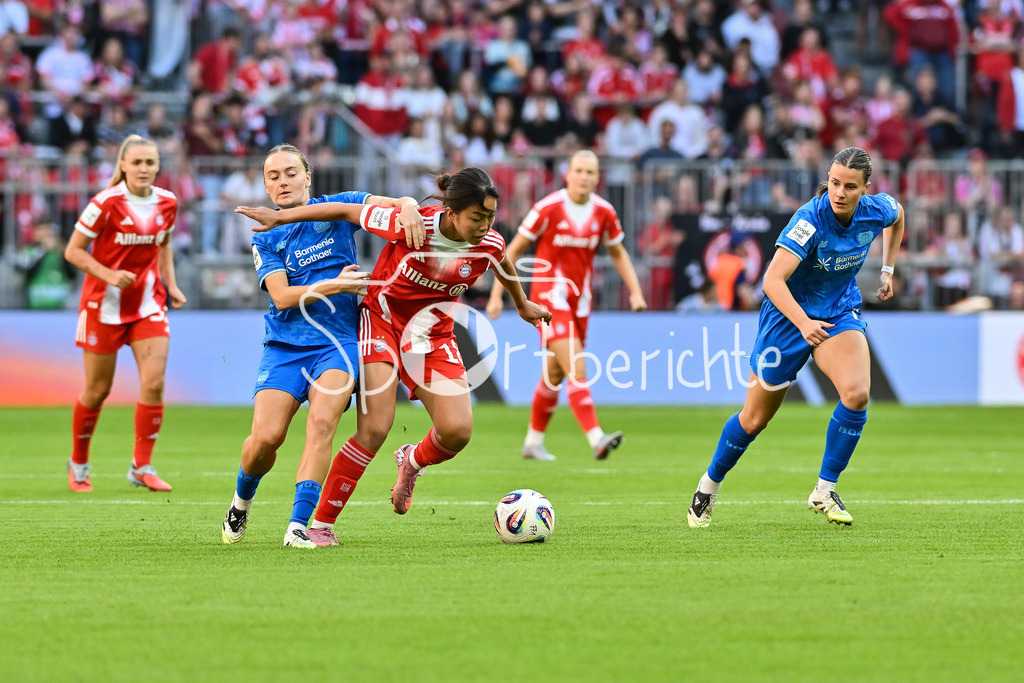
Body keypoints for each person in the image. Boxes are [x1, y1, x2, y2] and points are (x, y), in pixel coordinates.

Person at [236, 167, 550, 543]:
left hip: (431, 334)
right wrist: (281, 217)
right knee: (375, 428)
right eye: (476, 216)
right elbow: (344, 210)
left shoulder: (490, 243)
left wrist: (523, 304)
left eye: (490, 216)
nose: (484, 225)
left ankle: (411, 462)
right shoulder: (411, 225)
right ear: (452, 213)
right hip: (381, 321)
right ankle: (321, 525)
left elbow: (503, 264)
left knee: (457, 432)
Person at [220, 144, 426, 549]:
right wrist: (335, 285)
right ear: (265, 185)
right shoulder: (266, 233)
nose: (283, 181)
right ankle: (241, 502)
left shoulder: (339, 206)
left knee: (322, 423)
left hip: (338, 343)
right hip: (285, 345)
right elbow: (281, 297)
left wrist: (409, 205)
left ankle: (299, 525)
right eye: (273, 176)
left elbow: (391, 203)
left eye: (291, 173)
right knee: (265, 440)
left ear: (308, 178)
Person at [686, 147, 905, 528]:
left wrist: (887, 269)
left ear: (865, 188)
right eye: (834, 183)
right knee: (754, 420)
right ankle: (708, 486)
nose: (839, 192)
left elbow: (899, 216)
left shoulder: (877, 209)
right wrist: (803, 323)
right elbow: (772, 280)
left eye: (849, 186)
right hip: (787, 319)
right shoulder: (808, 220)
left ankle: (824, 490)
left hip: (838, 312)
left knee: (856, 394)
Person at [486, 150, 648, 462]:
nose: (584, 177)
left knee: (555, 373)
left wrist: (635, 292)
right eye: (579, 171)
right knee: (576, 365)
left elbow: (618, 252)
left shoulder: (604, 212)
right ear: (568, 174)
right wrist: (496, 295)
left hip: (580, 302)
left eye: (590, 172)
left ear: (597, 178)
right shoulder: (548, 208)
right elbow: (511, 251)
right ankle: (597, 438)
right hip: (548, 299)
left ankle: (533, 443)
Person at [63, 135, 187, 493]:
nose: (143, 169)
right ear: (123, 166)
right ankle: (79, 464)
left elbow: (164, 245)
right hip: (103, 307)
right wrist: (109, 275)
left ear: (158, 166)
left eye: (150, 163)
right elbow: (73, 251)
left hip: (148, 304)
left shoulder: (168, 202)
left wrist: (171, 284)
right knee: (97, 390)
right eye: (137, 163)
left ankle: (141, 466)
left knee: (154, 383)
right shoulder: (105, 202)